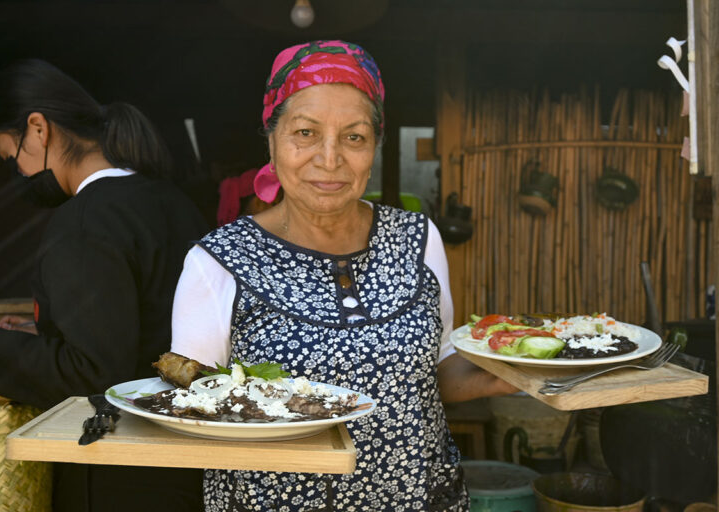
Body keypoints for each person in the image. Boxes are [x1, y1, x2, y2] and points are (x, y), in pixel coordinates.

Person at [171, 40, 516, 511]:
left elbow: (438, 371)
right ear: (271, 141)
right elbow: (193, 411)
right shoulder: (218, 262)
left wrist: (508, 371)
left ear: (374, 144)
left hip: (417, 499)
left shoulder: (417, 238)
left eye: (353, 137)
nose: (329, 159)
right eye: (306, 133)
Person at [0, 60, 207, 512]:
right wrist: (45, 335)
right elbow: (141, 331)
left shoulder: (86, 221)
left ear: (37, 129)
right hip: (184, 463)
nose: (19, 172)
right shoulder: (170, 201)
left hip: (116, 473)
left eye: (10, 156)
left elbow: (90, 372)